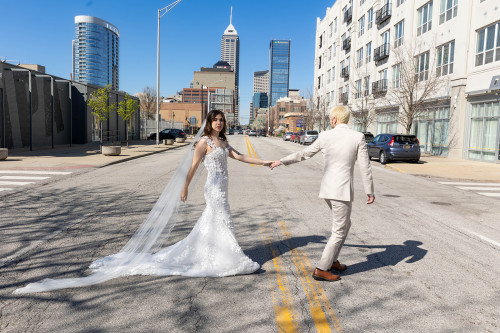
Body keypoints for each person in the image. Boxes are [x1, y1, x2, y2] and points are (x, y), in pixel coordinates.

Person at [14, 110, 271, 294]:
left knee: (218, 220)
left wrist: (264, 162)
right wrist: (184, 187)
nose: (218, 123)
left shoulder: (224, 142)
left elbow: (241, 157)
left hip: (224, 188)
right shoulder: (203, 143)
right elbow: (193, 167)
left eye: (221, 120)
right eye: (215, 120)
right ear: (209, 123)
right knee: (218, 218)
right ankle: (226, 255)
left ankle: (216, 252)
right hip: (212, 189)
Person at [270, 105, 375, 282]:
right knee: (339, 230)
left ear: (334, 119)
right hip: (341, 191)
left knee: (345, 225)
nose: (329, 121)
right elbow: (365, 166)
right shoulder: (358, 137)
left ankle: (333, 260)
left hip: (328, 189)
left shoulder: (325, 136)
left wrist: (281, 161)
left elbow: (304, 154)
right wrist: (369, 190)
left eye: (330, 118)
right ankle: (321, 268)